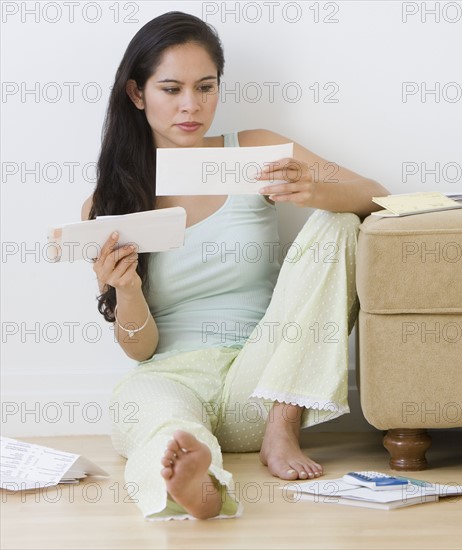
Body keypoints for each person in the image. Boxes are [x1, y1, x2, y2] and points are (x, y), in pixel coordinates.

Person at [81, 11, 388, 520]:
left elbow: (377, 197)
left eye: (205, 87)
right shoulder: (110, 201)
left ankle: (282, 430)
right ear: (137, 94)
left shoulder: (254, 150)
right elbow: (140, 350)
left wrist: (317, 191)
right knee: (155, 412)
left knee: (340, 223)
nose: (191, 106)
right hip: (173, 376)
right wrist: (127, 291)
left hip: (264, 381)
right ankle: (198, 485)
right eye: (171, 88)